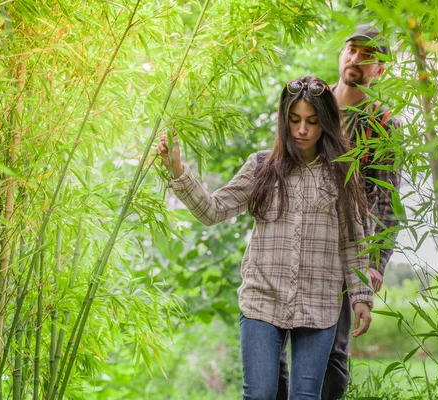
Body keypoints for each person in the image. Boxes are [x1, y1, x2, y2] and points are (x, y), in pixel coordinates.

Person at [157, 76, 374, 400]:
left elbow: (353, 242)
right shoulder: (261, 166)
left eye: (312, 122)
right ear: (283, 121)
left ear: (325, 124)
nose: (302, 130)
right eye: (295, 120)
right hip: (262, 300)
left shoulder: (341, 173)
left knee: (305, 396)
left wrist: (361, 297)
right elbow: (213, 210)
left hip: (319, 302)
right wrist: (178, 172)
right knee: (259, 395)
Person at [277, 25, 402, 400]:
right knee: (275, 339)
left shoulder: (384, 124)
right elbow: (278, 162)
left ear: (380, 70)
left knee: (333, 347)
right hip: (291, 235)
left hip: (345, 247)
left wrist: (376, 260)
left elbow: (387, 197)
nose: (357, 59)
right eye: (352, 50)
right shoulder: (310, 102)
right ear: (342, 53)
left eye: (369, 57)